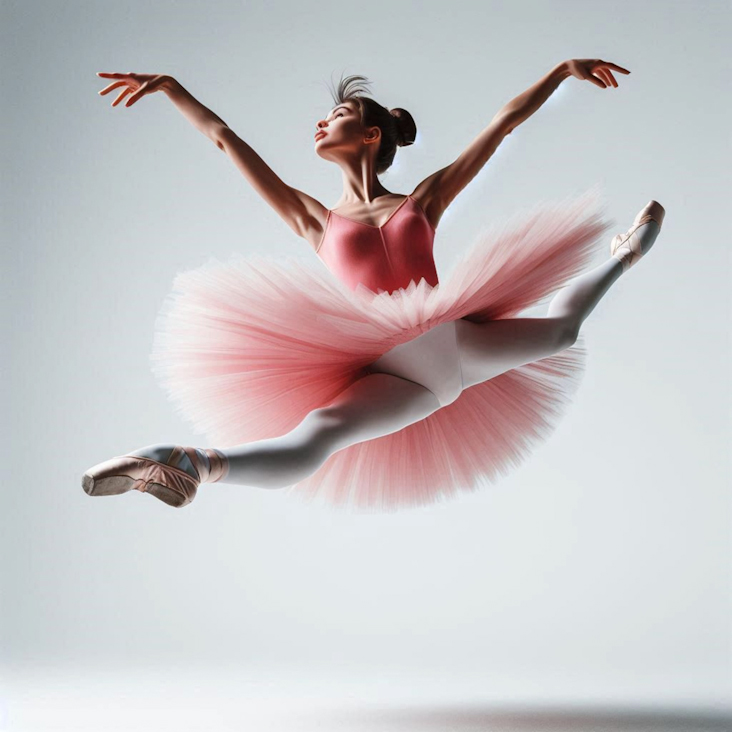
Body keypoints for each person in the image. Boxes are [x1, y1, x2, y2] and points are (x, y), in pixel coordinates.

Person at [83, 61, 664, 512]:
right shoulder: (314, 219)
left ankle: (623, 256)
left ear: (370, 134)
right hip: (392, 371)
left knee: (562, 332)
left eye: (337, 114)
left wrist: (562, 71)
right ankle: (187, 464)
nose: (320, 121)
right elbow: (224, 138)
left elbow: (503, 124)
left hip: (445, 347)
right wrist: (171, 87)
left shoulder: (424, 199)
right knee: (317, 438)